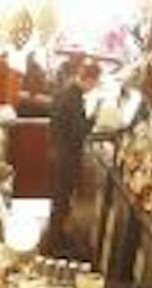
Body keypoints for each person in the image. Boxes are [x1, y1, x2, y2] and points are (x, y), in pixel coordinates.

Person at [50, 59, 95, 212]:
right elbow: (78, 130)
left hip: (59, 149)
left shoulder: (68, 91)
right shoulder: (74, 98)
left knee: (59, 194)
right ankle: (58, 230)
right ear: (89, 80)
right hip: (67, 153)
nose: (93, 88)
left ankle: (57, 226)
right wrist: (92, 122)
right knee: (63, 195)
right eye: (94, 84)